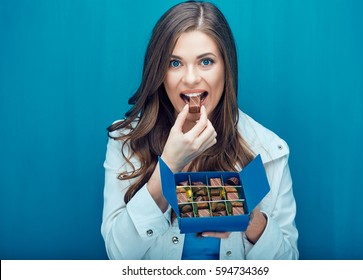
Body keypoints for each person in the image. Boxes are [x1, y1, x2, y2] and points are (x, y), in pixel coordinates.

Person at [101, 0, 298, 260]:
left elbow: (289, 263)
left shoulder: (270, 150)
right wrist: (169, 164)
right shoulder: (126, 142)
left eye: (206, 62)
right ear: (159, 72)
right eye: (174, 63)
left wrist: (250, 219)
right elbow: (118, 256)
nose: (191, 78)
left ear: (227, 68)